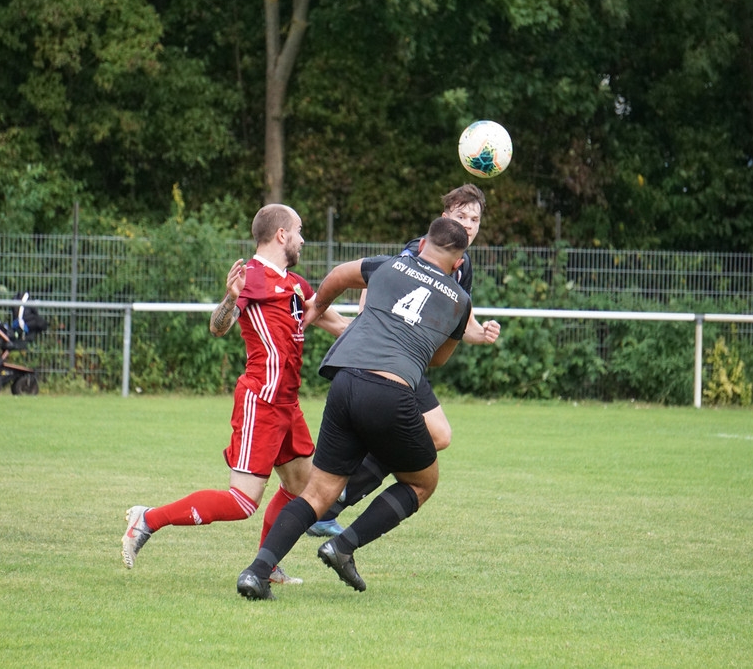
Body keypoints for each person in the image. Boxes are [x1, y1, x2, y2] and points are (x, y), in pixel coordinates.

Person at [237, 216, 473, 600]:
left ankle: (256, 572)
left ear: (422, 245)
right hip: (392, 392)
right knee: (422, 482)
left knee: (317, 493)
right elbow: (438, 358)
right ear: (458, 263)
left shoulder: (388, 265)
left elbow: (338, 275)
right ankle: (343, 546)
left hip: (346, 379)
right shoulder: (460, 301)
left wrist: (318, 307)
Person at [121, 204, 348, 584]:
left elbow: (336, 323)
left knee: (301, 488)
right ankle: (147, 519)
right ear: (281, 235)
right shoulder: (252, 277)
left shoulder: (296, 284)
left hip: (287, 404)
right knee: (242, 502)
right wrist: (230, 298)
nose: (303, 239)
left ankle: (267, 565)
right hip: (261, 401)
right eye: (299, 231)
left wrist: (388, 333)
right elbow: (218, 326)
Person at [307, 184, 500, 536]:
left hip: (406, 360)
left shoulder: (463, 265)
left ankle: (333, 505)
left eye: (475, 219)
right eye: (461, 216)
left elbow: (461, 324)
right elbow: (383, 275)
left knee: (439, 435)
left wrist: (481, 333)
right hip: (389, 356)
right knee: (430, 436)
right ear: (445, 217)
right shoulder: (419, 248)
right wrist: (368, 318)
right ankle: (333, 504)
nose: (469, 224)